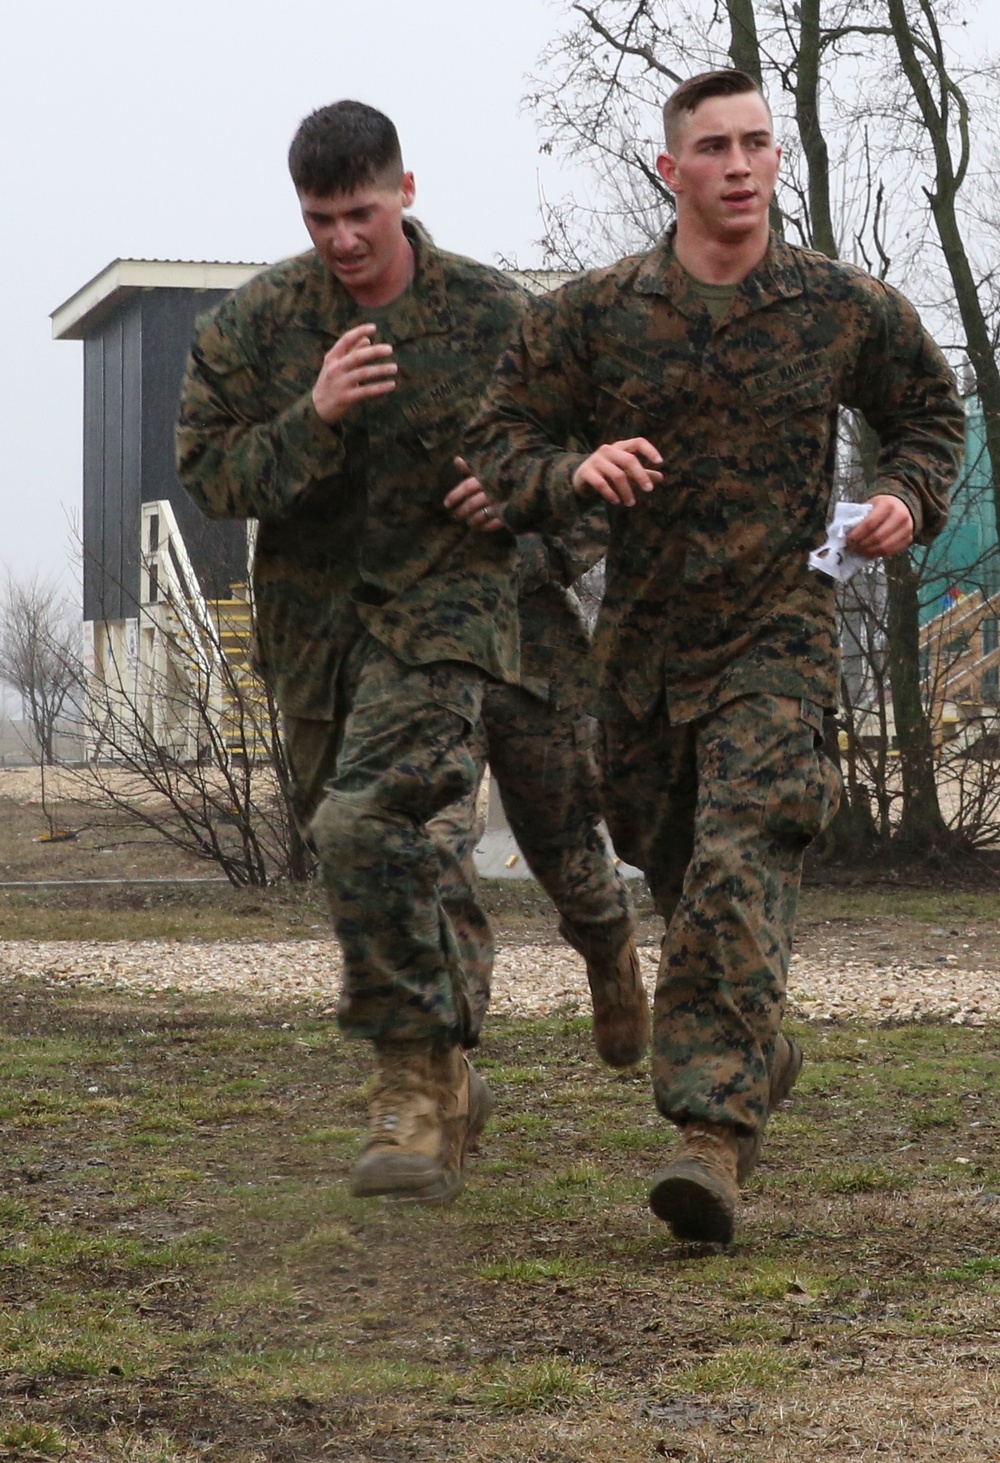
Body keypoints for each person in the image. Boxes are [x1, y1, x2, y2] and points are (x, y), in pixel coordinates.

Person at [462, 69, 965, 1243]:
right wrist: (571, 474)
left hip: (779, 635)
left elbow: (929, 415)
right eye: (715, 148)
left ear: (776, 160)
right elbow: (498, 444)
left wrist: (902, 493)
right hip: (640, 656)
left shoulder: (839, 305)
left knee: (744, 855)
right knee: (679, 871)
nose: (740, 166)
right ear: (669, 169)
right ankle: (755, 1042)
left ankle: (710, 1138)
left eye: (758, 145)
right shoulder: (592, 315)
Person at [176, 100, 529, 1206]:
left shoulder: (497, 315)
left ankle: (412, 1083)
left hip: (446, 620)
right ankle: (451, 1064)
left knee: (364, 821)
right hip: (316, 639)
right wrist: (313, 415)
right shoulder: (254, 325)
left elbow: (582, 467)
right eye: (320, 217)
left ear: (406, 193)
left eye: (359, 212)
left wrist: (523, 500)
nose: (341, 238)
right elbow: (213, 477)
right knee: (393, 850)